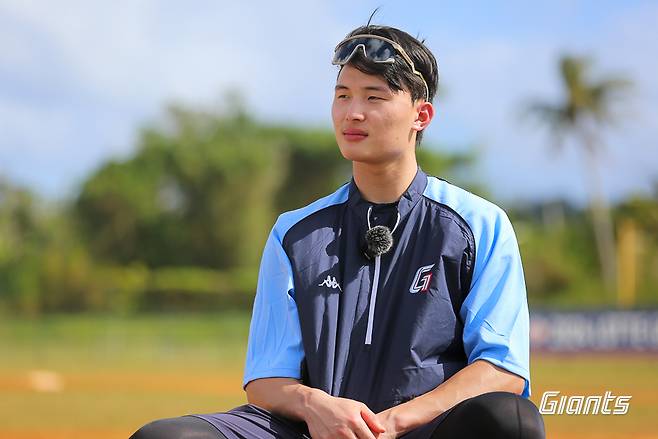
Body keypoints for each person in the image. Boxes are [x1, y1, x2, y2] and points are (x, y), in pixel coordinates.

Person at [130, 22, 545, 439]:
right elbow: (266, 380)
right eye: (343, 95)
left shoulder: (479, 224)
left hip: (425, 429)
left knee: (512, 421)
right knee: (164, 437)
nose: (352, 112)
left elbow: (502, 370)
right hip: (313, 429)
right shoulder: (294, 234)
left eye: (374, 97)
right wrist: (317, 407)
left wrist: (394, 422)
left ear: (421, 116)